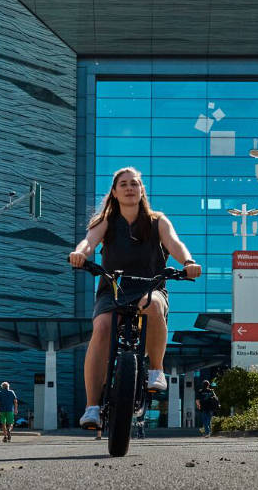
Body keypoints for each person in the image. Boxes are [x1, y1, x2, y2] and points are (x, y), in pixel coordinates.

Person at [67, 167, 202, 430]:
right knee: (102, 327)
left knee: (152, 306)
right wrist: (79, 253)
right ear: (115, 193)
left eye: (135, 184)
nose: (130, 188)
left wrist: (188, 262)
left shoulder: (157, 221)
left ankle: (155, 370)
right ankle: (92, 407)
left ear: (142, 191)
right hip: (114, 289)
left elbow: (174, 243)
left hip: (150, 287)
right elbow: (89, 242)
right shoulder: (105, 221)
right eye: (124, 184)